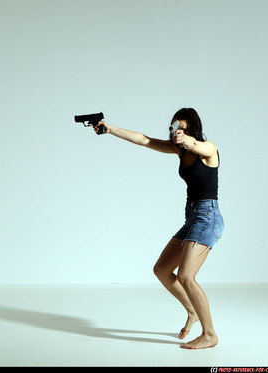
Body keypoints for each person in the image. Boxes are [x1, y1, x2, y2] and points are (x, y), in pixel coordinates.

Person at [94, 108, 224, 349]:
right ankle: (192, 311)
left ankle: (209, 335)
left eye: (181, 128)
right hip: (192, 217)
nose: (176, 133)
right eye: (174, 128)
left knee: (186, 276)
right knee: (162, 269)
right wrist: (110, 129)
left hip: (208, 216)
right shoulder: (179, 150)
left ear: (192, 129)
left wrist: (189, 140)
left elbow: (201, 147)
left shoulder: (207, 149)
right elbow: (144, 140)